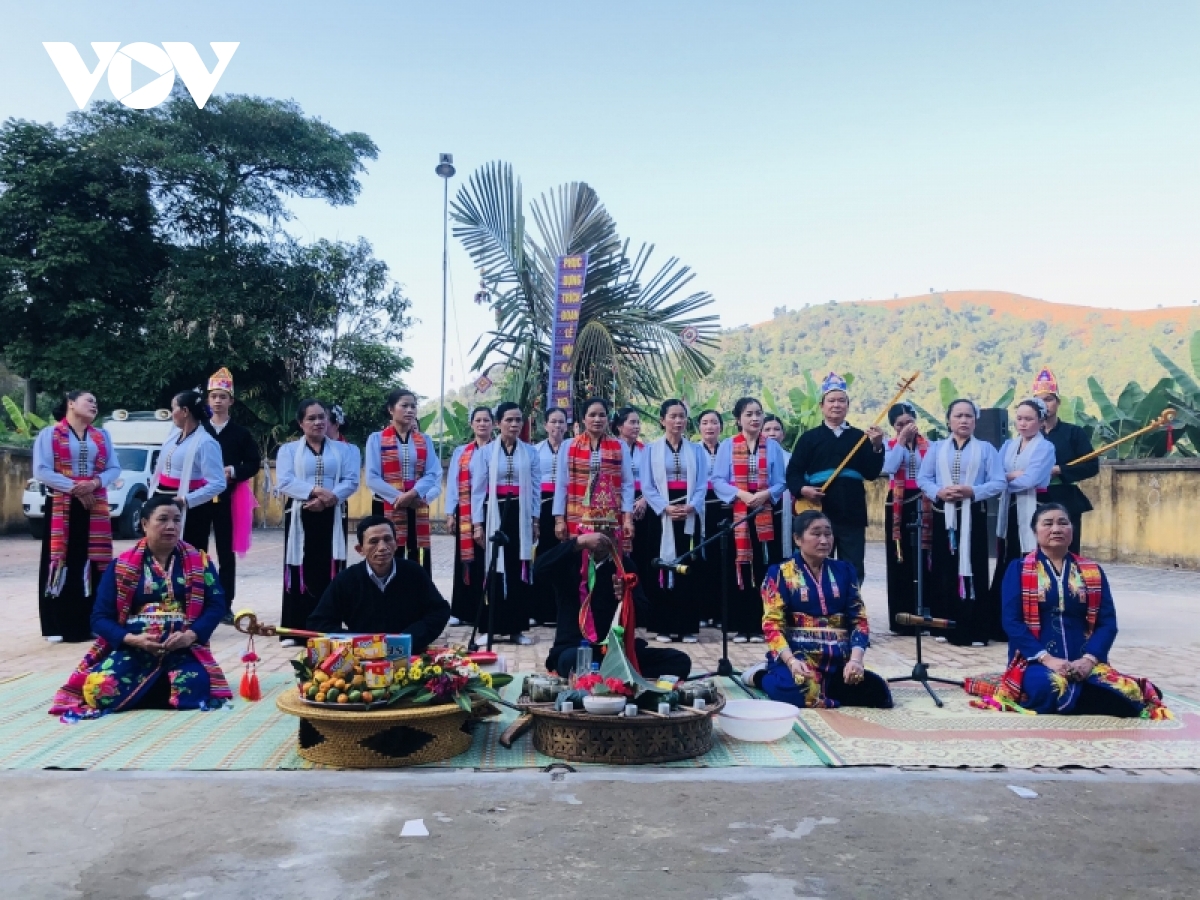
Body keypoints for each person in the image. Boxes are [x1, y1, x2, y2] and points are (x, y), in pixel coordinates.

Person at [965, 503, 1170, 718]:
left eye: (1063, 523)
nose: (1056, 529)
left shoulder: (1092, 571)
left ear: (1072, 530)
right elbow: (1011, 621)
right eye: (1048, 524)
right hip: (1036, 661)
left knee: (1129, 691)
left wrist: (1089, 660)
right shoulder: (1018, 569)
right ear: (1035, 531)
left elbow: (1107, 623)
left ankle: (1088, 695)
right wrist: (1047, 659)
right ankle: (1094, 697)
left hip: (1085, 661)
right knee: (1047, 687)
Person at [48, 495, 232, 718]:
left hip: (182, 649)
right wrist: (133, 640)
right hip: (134, 649)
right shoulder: (121, 566)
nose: (171, 526)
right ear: (144, 524)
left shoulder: (200, 562)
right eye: (162, 519)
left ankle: (140, 692)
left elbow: (216, 605)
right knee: (98, 688)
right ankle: (154, 689)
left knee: (193, 685)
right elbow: (99, 618)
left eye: (176, 520)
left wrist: (190, 636)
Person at [746, 510, 893, 709]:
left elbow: (859, 621)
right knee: (795, 691)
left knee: (879, 694)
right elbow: (772, 625)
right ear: (798, 539)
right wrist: (791, 661)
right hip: (798, 657)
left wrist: (856, 660)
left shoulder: (845, 571)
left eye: (828, 534)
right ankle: (760, 676)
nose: (824, 540)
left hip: (838, 660)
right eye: (816, 534)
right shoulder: (779, 574)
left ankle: (827, 687)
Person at [538, 531, 691, 681]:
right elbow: (538, 569)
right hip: (576, 646)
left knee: (680, 661)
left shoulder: (624, 565)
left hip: (617, 649)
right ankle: (614, 674)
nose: (601, 539)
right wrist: (578, 543)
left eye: (608, 532)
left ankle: (609, 673)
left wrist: (627, 598)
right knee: (571, 661)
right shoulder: (570, 560)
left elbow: (644, 614)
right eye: (596, 532)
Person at [916, 399, 1007, 646]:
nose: (964, 420)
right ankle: (943, 625)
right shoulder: (936, 448)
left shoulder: (986, 449)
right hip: (943, 513)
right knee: (944, 568)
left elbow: (999, 481)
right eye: (958, 416)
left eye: (969, 416)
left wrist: (972, 491)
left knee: (974, 565)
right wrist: (939, 492)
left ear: (975, 421)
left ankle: (974, 630)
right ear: (949, 420)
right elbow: (924, 478)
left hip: (973, 513)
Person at [34, 390, 121, 643]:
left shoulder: (102, 436)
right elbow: (42, 470)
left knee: (92, 561)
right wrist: (76, 488)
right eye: (89, 401)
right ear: (71, 403)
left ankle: (89, 622)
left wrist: (93, 484)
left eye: (96, 402)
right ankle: (58, 624)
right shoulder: (50, 434)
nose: (94, 405)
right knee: (61, 560)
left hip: (93, 504)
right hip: (62, 504)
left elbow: (114, 468)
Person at [786, 372, 884, 585]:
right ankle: (818, 603)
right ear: (821, 405)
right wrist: (803, 489)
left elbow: (871, 473)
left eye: (841, 400)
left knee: (852, 566)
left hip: (852, 512)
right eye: (831, 400)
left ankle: (851, 603)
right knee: (817, 564)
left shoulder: (860, 437)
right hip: (818, 512)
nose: (836, 405)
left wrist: (877, 446)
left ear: (848, 405)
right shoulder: (809, 438)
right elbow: (793, 473)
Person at [276, 399, 357, 645]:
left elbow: (351, 480)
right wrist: (316, 491)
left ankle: (327, 625)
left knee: (329, 566)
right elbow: (285, 481)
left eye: (322, 417)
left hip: (333, 513)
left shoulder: (345, 450)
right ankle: (295, 628)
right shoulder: (288, 450)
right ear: (301, 423)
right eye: (311, 418)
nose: (318, 422)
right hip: (300, 513)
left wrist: (328, 500)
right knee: (299, 566)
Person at [308, 515, 450, 653]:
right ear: (360, 549)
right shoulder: (346, 580)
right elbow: (318, 623)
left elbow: (439, 611)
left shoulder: (414, 573)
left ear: (396, 543)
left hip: (410, 653)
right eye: (374, 541)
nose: (382, 547)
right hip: (362, 657)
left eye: (387, 539)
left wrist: (410, 638)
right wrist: (356, 642)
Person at [711, 397, 787, 643]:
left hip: (765, 511)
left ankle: (761, 624)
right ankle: (740, 625)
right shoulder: (727, 445)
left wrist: (766, 494)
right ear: (738, 419)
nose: (755, 418)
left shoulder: (772, 446)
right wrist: (741, 494)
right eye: (749, 414)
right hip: (738, 512)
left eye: (758, 413)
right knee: (739, 565)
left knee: (765, 565)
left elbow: (781, 481)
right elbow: (718, 480)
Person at [987, 398, 1055, 642]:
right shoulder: (1008, 445)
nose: (1023, 423)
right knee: (1007, 560)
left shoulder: (1045, 447)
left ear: (1041, 421)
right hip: (1010, 507)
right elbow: (994, 474)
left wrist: (1005, 479)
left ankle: (1031, 623)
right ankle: (999, 623)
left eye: (1029, 419)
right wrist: (1009, 476)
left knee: (1030, 560)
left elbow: (1031, 479)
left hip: (1033, 507)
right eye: (1020, 419)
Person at [473, 402, 540, 646]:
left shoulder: (530, 452)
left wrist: (535, 519)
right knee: (493, 567)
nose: (514, 424)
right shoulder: (485, 453)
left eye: (518, 420)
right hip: (495, 512)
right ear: (498, 423)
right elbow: (477, 491)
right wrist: (477, 524)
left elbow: (535, 489)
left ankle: (516, 629)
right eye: (509, 420)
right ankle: (489, 628)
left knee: (517, 567)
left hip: (520, 515)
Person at [641, 399, 706, 643]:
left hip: (688, 513)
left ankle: (686, 626)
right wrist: (665, 507)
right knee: (661, 564)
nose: (678, 421)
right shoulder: (651, 449)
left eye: (682, 416)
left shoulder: (696, 450)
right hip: (661, 515)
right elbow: (647, 486)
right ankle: (664, 626)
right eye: (673, 416)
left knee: (688, 565)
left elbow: (701, 484)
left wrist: (691, 506)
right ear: (662, 420)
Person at [365, 388, 442, 574]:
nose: (410, 410)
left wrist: (413, 494)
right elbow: (372, 477)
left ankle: (417, 589)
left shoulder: (424, 440)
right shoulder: (376, 439)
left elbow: (432, 473)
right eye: (404, 405)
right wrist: (400, 497)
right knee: (388, 549)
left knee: (417, 551)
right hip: (387, 502)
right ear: (391, 409)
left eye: (413, 406)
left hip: (416, 502)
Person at [205, 367, 261, 607]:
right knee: (195, 549)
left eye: (222, 396)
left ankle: (225, 603)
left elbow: (253, 463)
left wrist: (233, 471)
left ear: (231, 401)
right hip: (199, 498)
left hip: (229, 498)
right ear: (208, 400)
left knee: (226, 553)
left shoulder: (241, 433)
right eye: (214, 396)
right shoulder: (199, 429)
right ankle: (197, 599)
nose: (218, 401)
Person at [1033, 369, 1100, 555]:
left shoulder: (1074, 432)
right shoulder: (1028, 435)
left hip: (1065, 499)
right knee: (1036, 553)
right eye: (1039, 401)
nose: (1044, 405)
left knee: (1067, 551)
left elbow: (1092, 466)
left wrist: (1060, 470)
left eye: (1049, 399)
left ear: (1058, 402)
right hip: (1033, 500)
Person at [150, 389, 227, 551]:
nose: (172, 413)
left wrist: (186, 500)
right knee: (161, 550)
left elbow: (218, 483)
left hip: (190, 508)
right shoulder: (173, 437)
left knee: (189, 551)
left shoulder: (206, 443)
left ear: (185, 411)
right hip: (163, 500)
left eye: (173, 408)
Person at [552, 397, 635, 546]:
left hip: (610, 517)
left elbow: (627, 485)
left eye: (602, 415)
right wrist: (559, 520)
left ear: (607, 419)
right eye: (592, 415)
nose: (597, 419)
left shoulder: (620, 446)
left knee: (608, 554)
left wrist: (628, 519)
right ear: (583, 419)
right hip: (577, 515)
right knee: (578, 555)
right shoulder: (568, 446)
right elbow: (561, 484)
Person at [881, 401, 931, 636]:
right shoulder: (889, 445)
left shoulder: (929, 445)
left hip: (924, 499)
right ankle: (901, 618)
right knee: (899, 557)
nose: (905, 427)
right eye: (899, 424)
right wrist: (901, 442)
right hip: (898, 502)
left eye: (909, 422)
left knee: (924, 556)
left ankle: (925, 612)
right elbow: (889, 468)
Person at [445, 407, 494, 625]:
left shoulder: (498, 450)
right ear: (471, 424)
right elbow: (453, 483)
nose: (482, 424)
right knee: (464, 560)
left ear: (493, 424)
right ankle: (462, 610)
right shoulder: (461, 452)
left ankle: (485, 610)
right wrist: (450, 513)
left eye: (486, 420)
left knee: (486, 558)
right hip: (464, 510)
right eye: (478, 420)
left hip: (490, 508)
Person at [532, 407, 569, 625]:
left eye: (561, 422)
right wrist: (534, 518)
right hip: (543, 508)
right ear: (545, 425)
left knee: (566, 557)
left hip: (567, 507)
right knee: (544, 556)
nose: (557, 426)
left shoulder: (573, 447)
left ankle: (564, 611)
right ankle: (541, 611)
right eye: (553, 421)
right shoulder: (535, 450)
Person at [694, 409, 727, 628]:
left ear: (721, 427)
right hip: (700, 507)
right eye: (705, 422)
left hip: (724, 508)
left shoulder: (728, 449)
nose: (709, 427)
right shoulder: (694, 449)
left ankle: (721, 613)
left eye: (714, 422)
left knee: (721, 559)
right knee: (701, 559)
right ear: (699, 427)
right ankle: (702, 612)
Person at [613, 407, 651, 594]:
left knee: (641, 551)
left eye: (638, 423)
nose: (636, 426)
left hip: (642, 503)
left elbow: (654, 479)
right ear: (620, 426)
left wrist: (644, 500)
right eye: (632, 422)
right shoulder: (611, 448)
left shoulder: (646, 450)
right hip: (615, 503)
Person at [762, 413, 794, 585]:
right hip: (761, 508)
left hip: (785, 511)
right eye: (767, 429)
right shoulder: (754, 457)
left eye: (776, 429)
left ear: (783, 434)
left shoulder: (791, 458)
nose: (772, 433)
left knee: (782, 551)